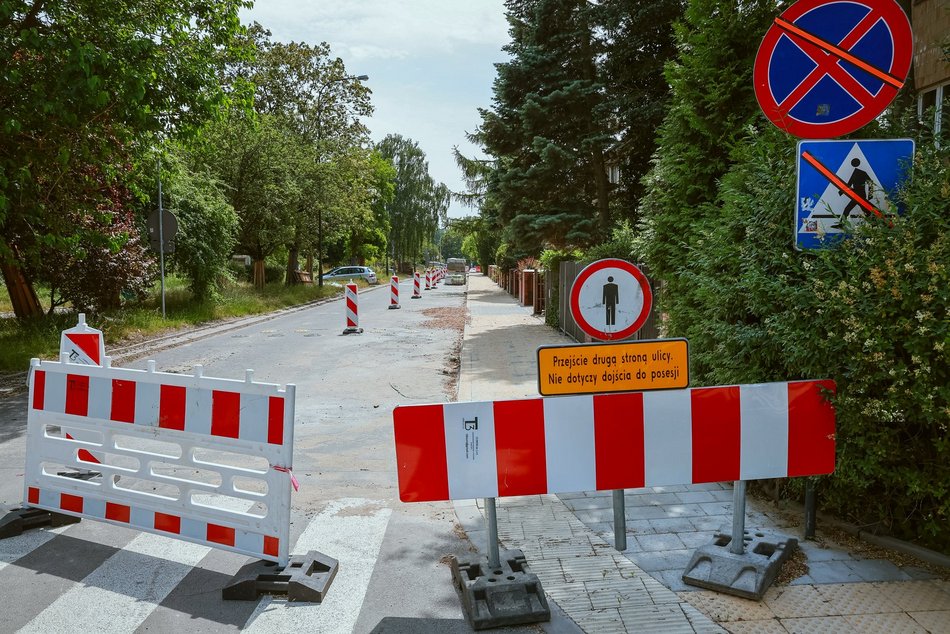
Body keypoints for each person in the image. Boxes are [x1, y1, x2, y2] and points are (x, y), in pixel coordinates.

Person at [834, 158, 872, 228]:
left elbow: (870, 182)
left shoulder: (860, 172)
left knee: (848, 209)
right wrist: (841, 192)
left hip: (859, 195)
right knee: (865, 211)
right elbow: (849, 184)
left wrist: (870, 195)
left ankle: (841, 225)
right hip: (856, 194)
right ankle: (874, 223)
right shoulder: (856, 172)